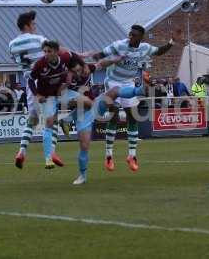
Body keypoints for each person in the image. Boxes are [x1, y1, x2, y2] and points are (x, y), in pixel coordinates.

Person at [92, 24, 182, 172]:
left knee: (132, 116)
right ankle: (109, 156)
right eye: (130, 34)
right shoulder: (119, 45)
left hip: (128, 83)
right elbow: (101, 54)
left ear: (141, 37)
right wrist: (95, 59)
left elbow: (159, 51)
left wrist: (172, 41)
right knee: (113, 115)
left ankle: (132, 156)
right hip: (113, 82)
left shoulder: (145, 48)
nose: (131, 37)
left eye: (134, 35)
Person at [9, 10, 62, 169]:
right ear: (27, 25)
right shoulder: (40, 39)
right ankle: (50, 154)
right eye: (33, 23)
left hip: (29, 83)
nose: (35, 26)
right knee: (52, 120)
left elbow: (16, 60)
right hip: (44, 80)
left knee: (32, 120)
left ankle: (22, 151)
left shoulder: (12, 44)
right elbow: (51, 54)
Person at [29, 40, 92, 169]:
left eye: (49, 51)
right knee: (49, 123)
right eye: (44, 51)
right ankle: (48, 159)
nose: (46, 54)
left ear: (57, 52)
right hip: (48, 96)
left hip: (62, 91)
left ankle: (66, 120)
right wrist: (37, 95)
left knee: (89, 103)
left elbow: (73, 55)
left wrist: (84, 65)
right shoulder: (40, 64)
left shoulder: (65, 57)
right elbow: (30, 80)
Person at [66, 55, 123, 184]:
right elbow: (67, 103)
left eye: (79, 70)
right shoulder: (66, 82)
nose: (77, 74)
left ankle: (138, 90)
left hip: (95, 104)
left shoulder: (87, 70)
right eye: (74, 72)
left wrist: (115, 60)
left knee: (115, 91)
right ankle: (82, 175)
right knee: (84, 146)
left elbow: (101, 64)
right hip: (82, 115)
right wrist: (76, 101)